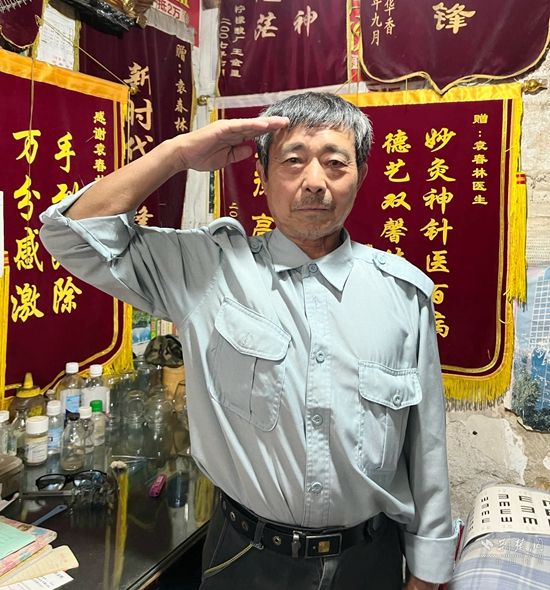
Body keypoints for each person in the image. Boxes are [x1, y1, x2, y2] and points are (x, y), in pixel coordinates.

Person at [40, 91, 457, 590]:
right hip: (246, 559)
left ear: (361, 176)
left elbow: (426, 445)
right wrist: (177, 153)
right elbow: (72, 235)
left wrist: (428, 573)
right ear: (261, 175)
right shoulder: (208, 270)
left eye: (335, 163)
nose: (314, 181)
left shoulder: (402, 294)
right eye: (293, 160)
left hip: (370, 561)